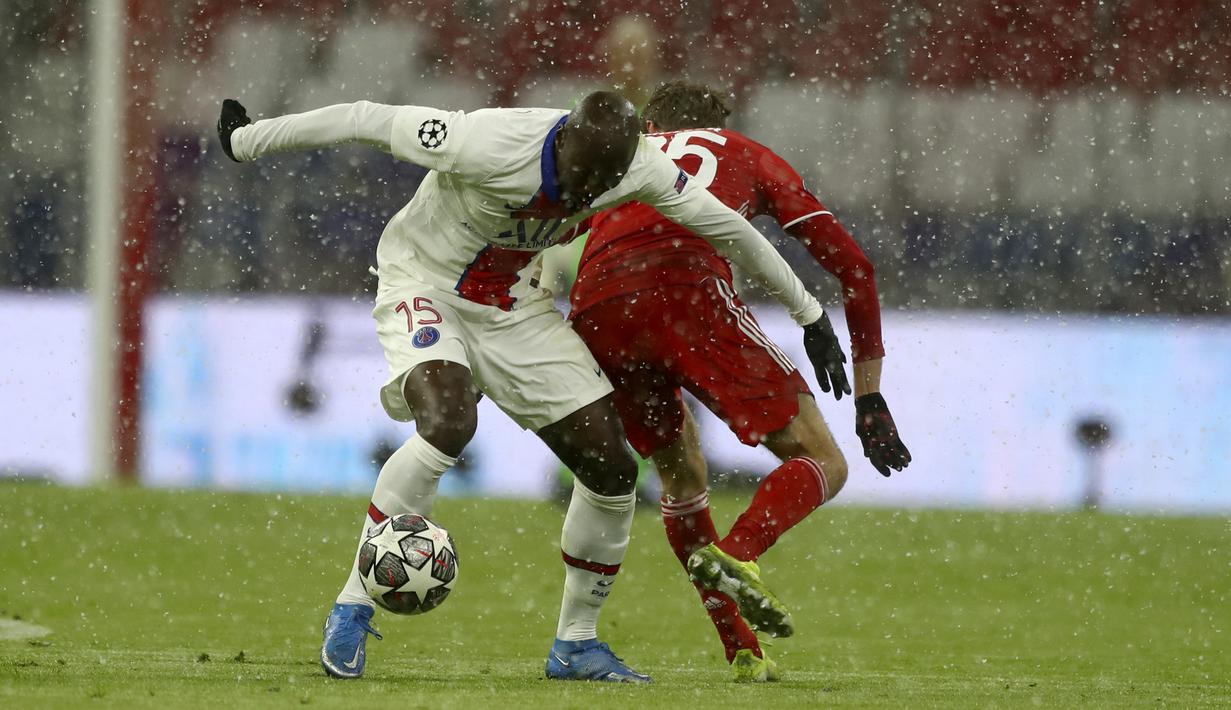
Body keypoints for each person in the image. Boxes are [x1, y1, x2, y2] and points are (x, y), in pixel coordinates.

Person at [215, 90, 847, 683]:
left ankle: (575, 643)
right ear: (565, 141)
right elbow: (362, 118)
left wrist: (810, 315)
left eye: (604, 182)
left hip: (515, 307)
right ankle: (353, 607)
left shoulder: (638, 167)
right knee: (449, 422)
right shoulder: (483, 141)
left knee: (612, 468)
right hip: (425, 284)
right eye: (583, 176)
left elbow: (728, 229)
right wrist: (247, 142)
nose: (591, 191)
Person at [568, 81, 912, 682]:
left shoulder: (625, 152)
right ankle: (738, 552)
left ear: (651, 123)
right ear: (719, 125)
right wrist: (870, 395)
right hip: (687, 292)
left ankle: (742, 648)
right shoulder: (747, 154)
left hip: (599, 306)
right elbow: (854, 267)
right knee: (824, 462)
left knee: (681, 478)